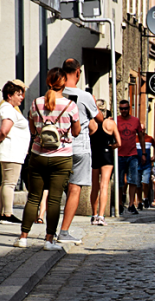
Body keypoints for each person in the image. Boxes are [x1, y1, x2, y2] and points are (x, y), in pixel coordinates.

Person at [15, 67, 80, 250]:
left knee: (33, 197)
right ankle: (49, 240)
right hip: (62, 156)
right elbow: (76, 132)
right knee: (54, 199)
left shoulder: (35, 103)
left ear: (48, 82)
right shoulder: (70, 105)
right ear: (64, 84)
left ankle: (23, 237)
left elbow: (33, 130)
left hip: (38, 155)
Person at [58, 58, 102, 244]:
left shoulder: (54, 94)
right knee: (74, 189)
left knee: (53, 191)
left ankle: (49, 232)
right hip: (79, 146)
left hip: (58, 147)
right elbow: (99, 118)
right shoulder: (85, 96)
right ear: (78, 72)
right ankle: (64, 231)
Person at [0, 81, 30, 225]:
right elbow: (5, 130)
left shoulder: (8, 108)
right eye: (18, 94)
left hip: (11, 151)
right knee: (9, 184)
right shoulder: (8, 109)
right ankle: (7, 214)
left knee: (6, 183)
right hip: (11, 151)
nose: (21, 97)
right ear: (9, 95)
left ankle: (3, 213)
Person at [89, 100, 121, 225]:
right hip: (106, 154)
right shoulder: (110, 123)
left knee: (94, 186)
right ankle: (101, 216)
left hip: (94, 153)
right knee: (104, 186)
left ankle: (94, 215)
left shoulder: (91, 122)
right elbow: (119, 143)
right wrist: (112, 146)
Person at [116, 99, 145, 214]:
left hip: (132, 154)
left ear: (129, 108)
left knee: (133, 180)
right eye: (121, 109)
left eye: (125, 108)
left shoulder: (135, 121)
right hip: (118, 154)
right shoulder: (115, 120)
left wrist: (143, 153)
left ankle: (132, 204)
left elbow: (141, 136)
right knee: (119, 181)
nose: (123, 111)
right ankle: (119, 204)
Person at [137, 132, 155, 209]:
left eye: (143, 129)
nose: (141, 131)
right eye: (140, 129)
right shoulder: (134, 138)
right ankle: (139, 201)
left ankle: (145, 198)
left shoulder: (149, 138)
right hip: (136, 164)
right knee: (137, 184)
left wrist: (154, 156)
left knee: (145, 182)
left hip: (147, 164)